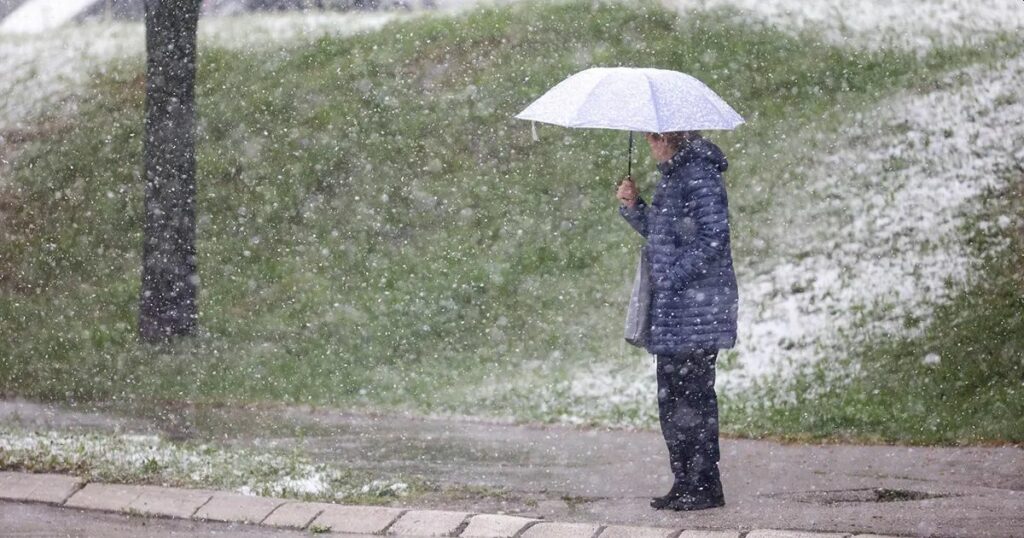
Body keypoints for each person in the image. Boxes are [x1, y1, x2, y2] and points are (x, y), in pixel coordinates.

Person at [615, 131, 738, 511]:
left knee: (693, 401)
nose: (652, 143)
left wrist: (672, 277)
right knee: (673, 401)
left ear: (675, 138)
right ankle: (686, 482)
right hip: (675, 314)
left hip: (694, 313)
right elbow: (665, 236)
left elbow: (714, 236)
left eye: (656, 136)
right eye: (650, 136)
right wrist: (635, 207)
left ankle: (703, 485)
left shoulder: (699, 174)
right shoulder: (675, 176)